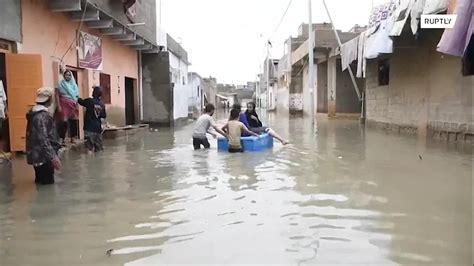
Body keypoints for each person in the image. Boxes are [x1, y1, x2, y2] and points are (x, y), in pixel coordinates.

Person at [26, 87, 62, 185]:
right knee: (48, 185)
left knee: (40, 183)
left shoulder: (32, 114)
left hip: (36, 156)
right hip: (44, 157)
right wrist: (53, 157)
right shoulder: (42, 116)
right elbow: (43, 139)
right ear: (50, 98)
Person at [78, 86, 106, 153]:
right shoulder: (102, 104)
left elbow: (80, 101)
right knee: (99, 150)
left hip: (89, 128)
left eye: (93, 91)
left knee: (89, 149)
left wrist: (75, 95)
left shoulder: (89, 101)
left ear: (94, 93)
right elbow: (104, 115)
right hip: (98, 129)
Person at [57, 70, 79, 145]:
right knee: (64, 122)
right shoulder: (60, 84)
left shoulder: (74, 85)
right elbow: (57, 95)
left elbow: (76, 96)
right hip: (63, 104)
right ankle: (61, 139)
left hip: (73, 105)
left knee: (73, 121)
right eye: (66, 75)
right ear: (64, 75)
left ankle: (73, 138)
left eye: (69, 75)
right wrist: (59, 105)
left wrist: (76, 106)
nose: (68, 76)